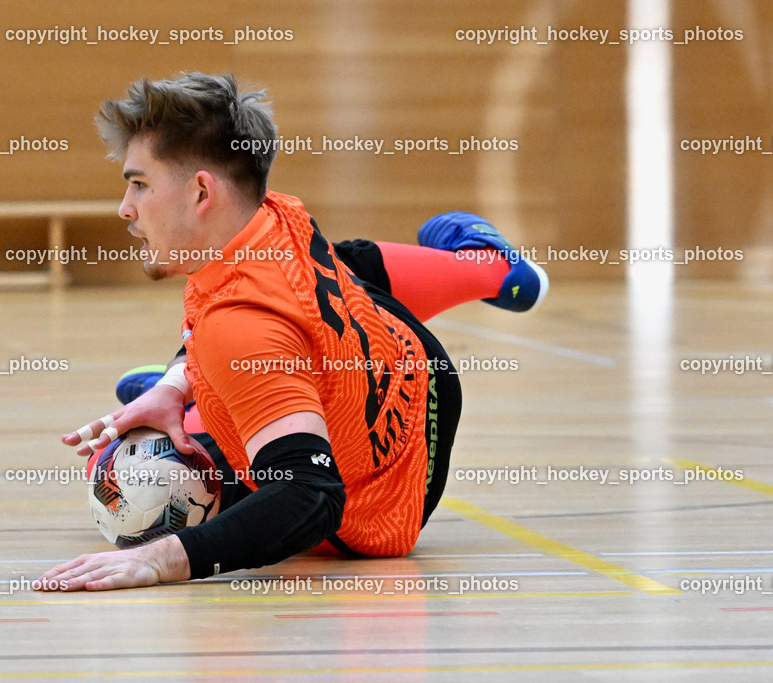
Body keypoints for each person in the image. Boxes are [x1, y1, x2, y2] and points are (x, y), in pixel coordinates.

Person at [34, 72, 547, 592]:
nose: (125, 206)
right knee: (341, 265)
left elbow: (311, 496)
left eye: (139, 183)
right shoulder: (274, 214)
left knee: (143, 475)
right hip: (374, 363)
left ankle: (489, 269)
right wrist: (176, 383)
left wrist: (165, 560)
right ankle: (197, 389)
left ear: (202, 191)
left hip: (376, 504)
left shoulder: (240, 329)